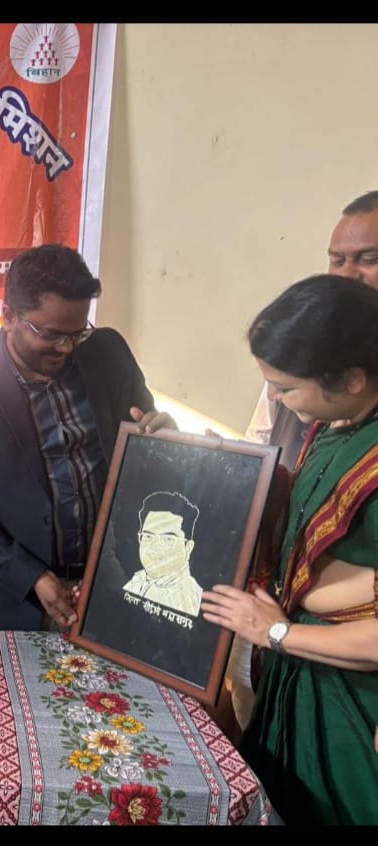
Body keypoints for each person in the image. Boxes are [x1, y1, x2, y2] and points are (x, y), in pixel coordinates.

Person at [201, 274, 378, 825]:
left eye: (285, 387)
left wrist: (276, 634)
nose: (274, 399)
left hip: (352, 696)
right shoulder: (337, 422)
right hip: (298, 668)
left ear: (351, 378)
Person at [0, 244, 174, 632]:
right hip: (21, 598)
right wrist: (31, 576)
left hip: (116, 580)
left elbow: (146, 441)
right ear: (8, 316)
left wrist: (166, 436)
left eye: (77, 333)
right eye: (51, 334)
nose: (67, 347)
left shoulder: (108, 353)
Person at [244, 190, 378, 469]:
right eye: (337, 261)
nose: (347, 275)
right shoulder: (295, 351)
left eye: (369, 259)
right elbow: (255, 452)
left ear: (354, 380)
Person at [122, 491, 204, 616]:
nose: (155, 547)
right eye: (148, 536)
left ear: (188, 547)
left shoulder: (189, 600)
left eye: (168, 539)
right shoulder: (137, 580)